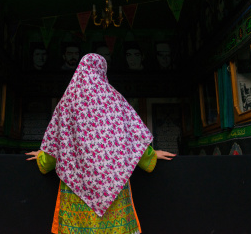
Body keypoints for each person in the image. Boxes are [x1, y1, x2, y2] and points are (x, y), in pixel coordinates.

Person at [26, 54, 175, 233]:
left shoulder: (67, 103)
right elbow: (132, 140)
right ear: (102, 71)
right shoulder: (116, 101)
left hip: (76, 190)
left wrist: (42, 158)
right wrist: (151, 156)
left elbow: (54, 148)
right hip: (114, 189)